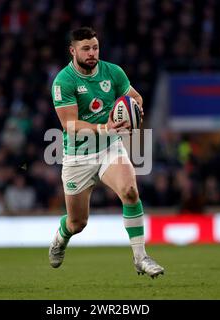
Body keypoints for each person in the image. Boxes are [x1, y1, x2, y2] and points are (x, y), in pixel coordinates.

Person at [48, 27, 164, 278]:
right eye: (86, 49)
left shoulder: (113, 72)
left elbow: (136, 98)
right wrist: (105, 126)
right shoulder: (63, 81)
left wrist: (135, 111)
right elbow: (69, 125)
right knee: (77, 223)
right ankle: (61, 237)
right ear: (73, 51)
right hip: (78, 156)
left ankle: (141, 257)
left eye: (95, 47)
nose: (92, 53)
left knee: (130, 191)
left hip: (110, 147)